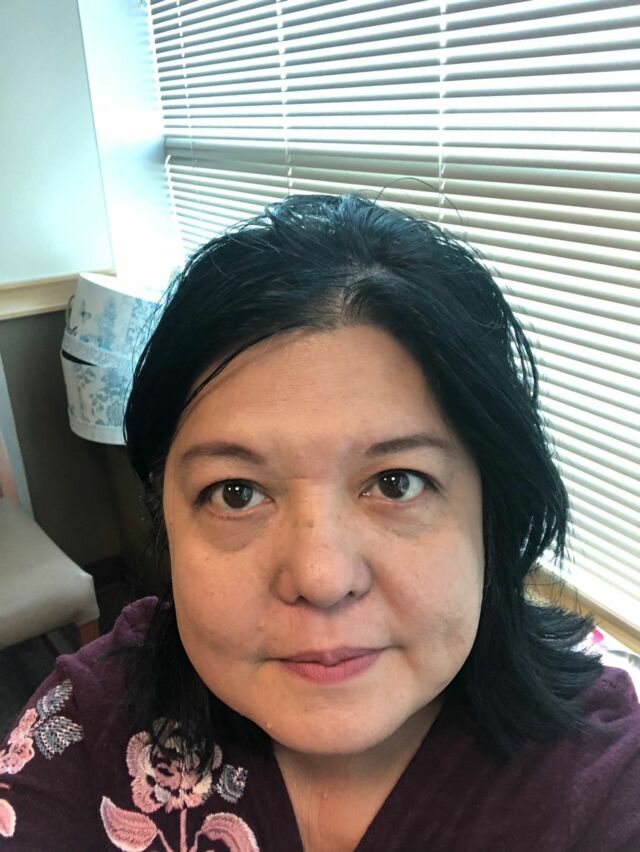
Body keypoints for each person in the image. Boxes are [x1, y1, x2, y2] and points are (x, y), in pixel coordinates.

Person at [1, 193, 638, 851]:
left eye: (396, 483)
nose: (321, 578)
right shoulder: (86, 727)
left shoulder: (604, 782)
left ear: (493, 513)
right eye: (237, 493)